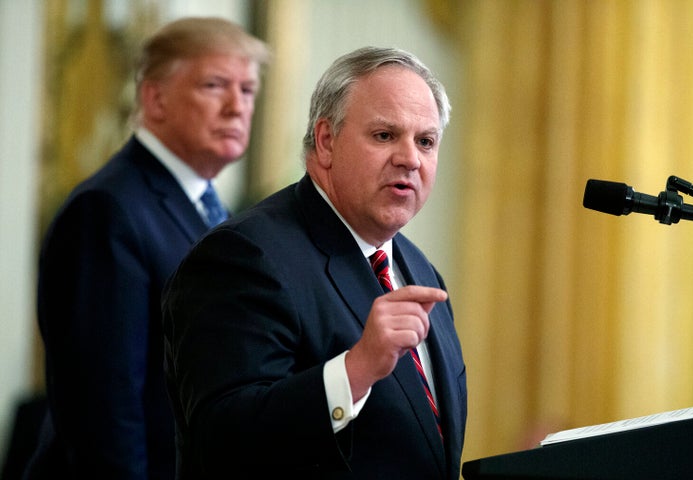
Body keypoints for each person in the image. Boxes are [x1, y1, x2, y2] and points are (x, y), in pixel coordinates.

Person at [162, 46, 467, 479]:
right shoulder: (243, 256)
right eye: (384, 135)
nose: (410, 159)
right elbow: (221, 441)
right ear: (326, 141)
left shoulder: (418, 270)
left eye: (425, 141)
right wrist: (356, 370)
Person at [24, 17, 270, 480]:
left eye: (248, 90)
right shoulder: (108, 210)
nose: (237, 107)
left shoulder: (215, 210)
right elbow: (103, 404)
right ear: (155, 98)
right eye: (215, 85)